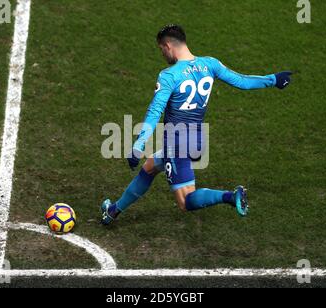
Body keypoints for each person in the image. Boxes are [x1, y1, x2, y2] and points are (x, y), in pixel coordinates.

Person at [101, 24, 292, 225]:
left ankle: (229, 196)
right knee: (150, 167)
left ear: (168, 45)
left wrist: (139, 144)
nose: (162, 54)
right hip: (197, 139)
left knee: (185, 201)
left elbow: (155, 111)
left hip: (176, 144)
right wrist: (273, 79)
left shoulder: (169, 75)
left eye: (161, 49)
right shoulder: (210, 64)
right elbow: (242, 81)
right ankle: (112, 211)